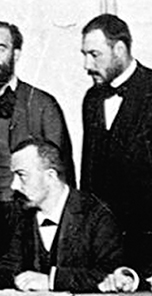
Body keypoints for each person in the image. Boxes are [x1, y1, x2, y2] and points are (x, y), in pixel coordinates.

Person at [0, 20, 73, 254]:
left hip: (29, 226)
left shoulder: (43, 106)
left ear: (16, 54)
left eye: (0, 48)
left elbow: (62, 176)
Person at [0, 139, 122, 294]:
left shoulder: (96, 215)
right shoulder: (22, 214)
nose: (13, 185)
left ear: (50, 176)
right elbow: (11, 265)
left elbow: (112, 275)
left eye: (21, 175)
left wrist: (51, 281)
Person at [80, 14, 152, 271]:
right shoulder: (91, 99)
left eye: (94, 54)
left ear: (119, 49)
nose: (87, 65)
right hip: (105, 244)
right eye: (84, 55)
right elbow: (88, 173)